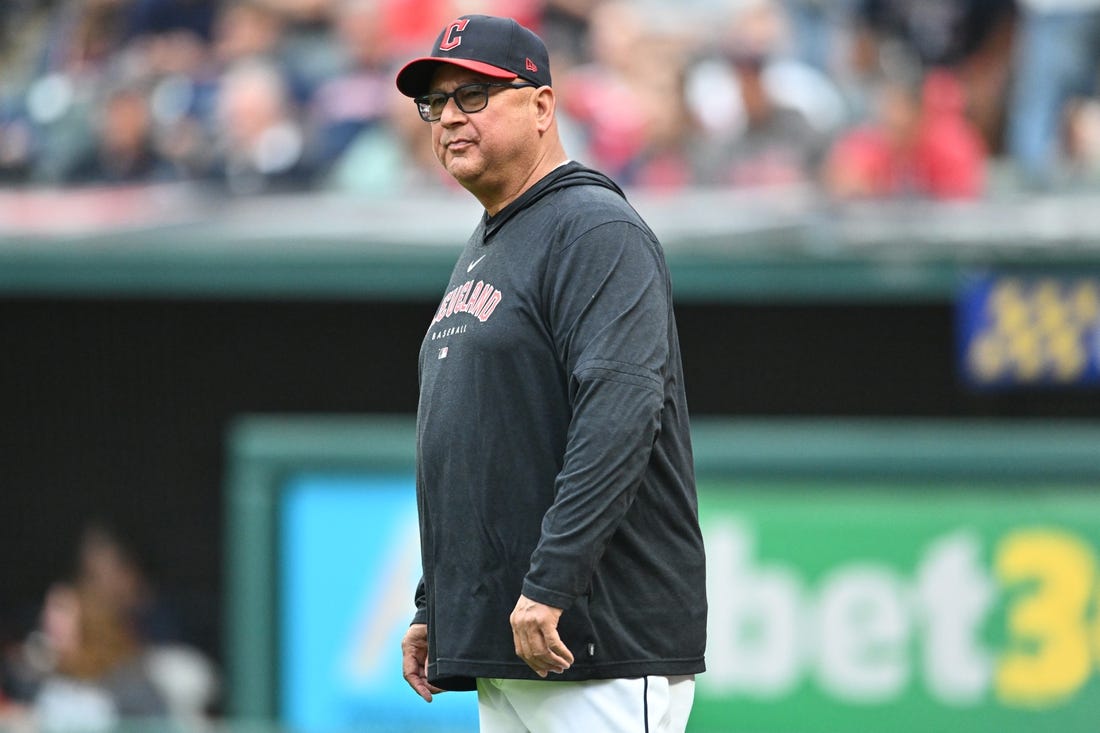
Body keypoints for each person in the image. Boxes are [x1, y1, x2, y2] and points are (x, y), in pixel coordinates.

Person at [394, 14, 707, 733]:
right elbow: (483, 440)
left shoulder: (594, 228)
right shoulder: (490, 239)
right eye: (435, 102)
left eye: (473, 96)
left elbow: (621, 412)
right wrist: (434, 602)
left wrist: (553, 580)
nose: (447, 117)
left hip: (592, 643)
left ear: (541, 107)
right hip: (519, 643)